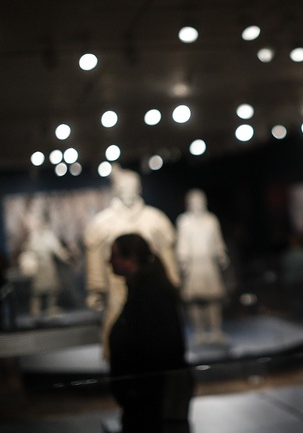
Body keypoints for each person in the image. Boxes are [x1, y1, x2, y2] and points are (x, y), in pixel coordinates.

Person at [84, 166, 179, 358]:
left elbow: (166, 255)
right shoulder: (102, 222)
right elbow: (95, 259)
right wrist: (96, 289)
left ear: (139, 188)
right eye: (123, 187)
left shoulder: (155, 219)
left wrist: (173, 282)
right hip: (115, 289)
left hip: (151, 285)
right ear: (115, 189)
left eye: (132, 187)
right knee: (118, 327)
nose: (128, 191)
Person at [108, 233, 194, 433]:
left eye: (115, 255)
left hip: (150, 397)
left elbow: (158, 348)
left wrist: (136, 390)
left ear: (132, 259)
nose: (109, 261)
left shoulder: (152, 294)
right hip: (145, 396)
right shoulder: (142, 289)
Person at [176, 189, 230, 344]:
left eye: (201, 201)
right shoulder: (184, 221)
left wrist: (221, 254)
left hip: (209, 265)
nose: (198, 204)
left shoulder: (211, 220)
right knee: (195, 301)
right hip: (194, 266)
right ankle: (199, 333)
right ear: (189, 203)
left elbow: (217, 240)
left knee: (213, 299)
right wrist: (182, 260)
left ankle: (215, 331)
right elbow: (182, 243)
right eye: (195, 201)